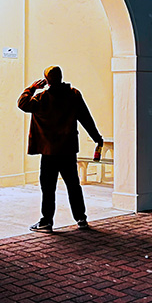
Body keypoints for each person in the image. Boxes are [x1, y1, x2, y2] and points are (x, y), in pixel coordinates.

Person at [18, 65, 103, 232]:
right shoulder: (74, 95)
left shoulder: (41, 98)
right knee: (73, 185)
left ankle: (46, 221)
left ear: (46, 81)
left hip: (49, 151)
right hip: (68, 149)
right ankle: (81, 219)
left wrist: (32, 88)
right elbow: (86, 118)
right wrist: (97, 138)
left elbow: (22, 103)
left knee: (48, 188)